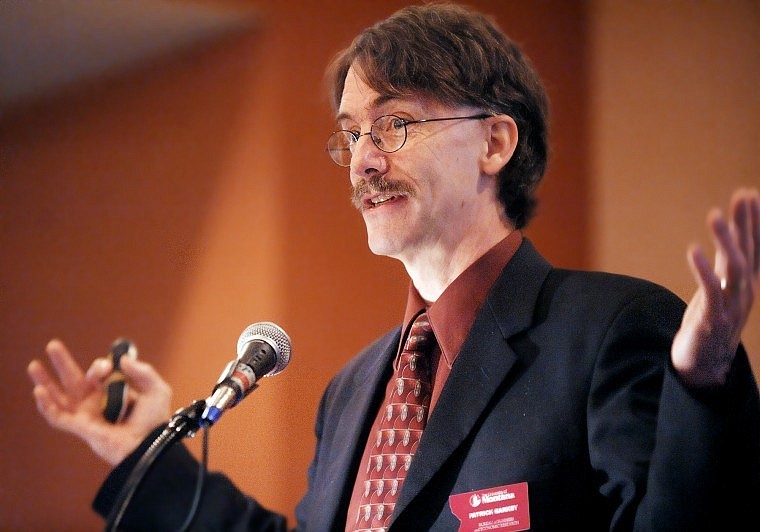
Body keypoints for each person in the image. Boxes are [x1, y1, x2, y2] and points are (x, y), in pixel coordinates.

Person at [28, 4, 759, 531]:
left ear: (494, 143)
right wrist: (143, 452)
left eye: (395, 124)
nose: (363, 162)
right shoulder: (351, 391)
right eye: (351, 135)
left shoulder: (613, 330)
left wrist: (703, 382)